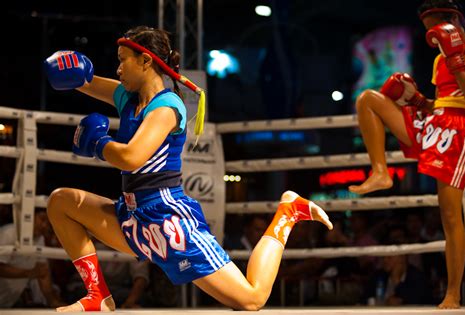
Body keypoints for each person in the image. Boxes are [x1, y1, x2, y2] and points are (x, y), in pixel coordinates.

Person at [43, 26, 333, 312]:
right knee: (60, 201)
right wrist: (74, 75)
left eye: (122, 60)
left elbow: (131, 157)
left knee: (251, 299)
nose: (118, 69)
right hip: (133, 217)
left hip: (169, 221)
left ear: (145, 61)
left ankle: (288, 213)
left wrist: (98, 144)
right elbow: (87, 82)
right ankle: (98, 296)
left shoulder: (167, 107)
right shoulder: (127, 98)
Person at [348, 0, 465, 309]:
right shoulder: (438, 60)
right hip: (437, 122)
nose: (430, 34)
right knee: (368, 99)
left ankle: (453, 293)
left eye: (434, 27)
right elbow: (442, 102)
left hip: (461, 127)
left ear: (451, 21)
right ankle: (380, 172)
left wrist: (456, 59)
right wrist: (418, 100)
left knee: (449, 213)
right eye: (427, 29)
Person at [0, 209, 65, 308]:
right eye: (42, 219)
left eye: (48, 222)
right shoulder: (8, 233)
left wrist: (53, 302)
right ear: (30, 215)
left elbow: (42, 272)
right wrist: (29, 273)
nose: (44, 226)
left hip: (7, 303)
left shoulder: (40, 239)